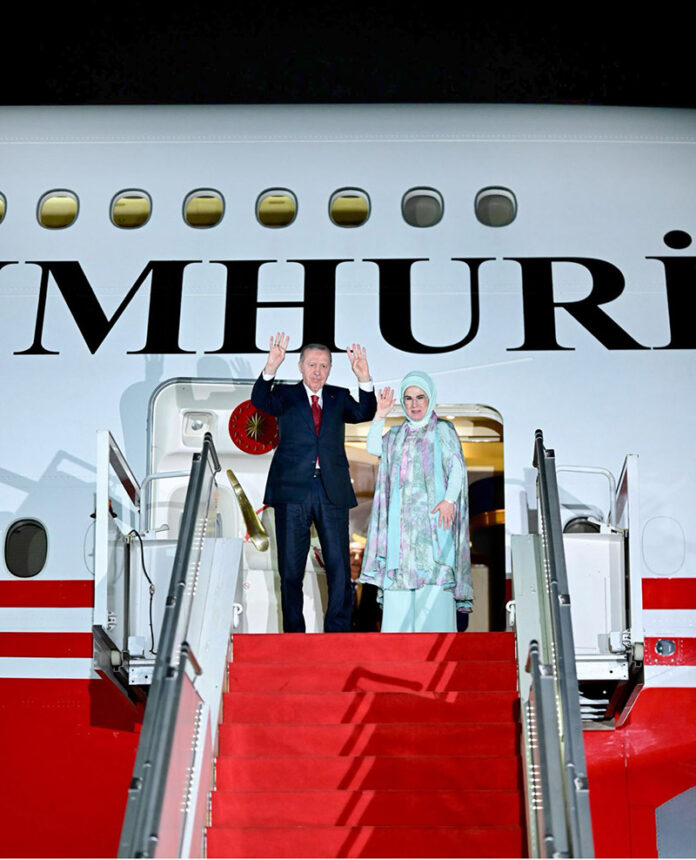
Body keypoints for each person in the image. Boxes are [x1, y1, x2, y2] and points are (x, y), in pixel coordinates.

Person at [251, 333, 377, 632]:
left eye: (323, 365)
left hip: (330, 489)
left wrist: (364, 379)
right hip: (292, 491)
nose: (317, 371)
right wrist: (271, 366)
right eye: (312, 364)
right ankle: (295, 632)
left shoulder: (338, 396)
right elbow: (259, 400)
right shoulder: (285, 396)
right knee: (291, 569)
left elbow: (364, 412)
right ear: (300, 366)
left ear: (331, 368)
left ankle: (338, 630)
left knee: (338, 565)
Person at [360, 371, 472, 632]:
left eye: (420, 397)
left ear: (430, 398)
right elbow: (373, 447)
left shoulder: (443, 430)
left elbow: (457, 466)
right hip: (402, 528)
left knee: (434, 577)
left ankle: (437, 646)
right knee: (400, 579)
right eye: (408, 398)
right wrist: (380, 415)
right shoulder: (397, 434)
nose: (415, 404)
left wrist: (449, 500)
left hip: (435, 520)